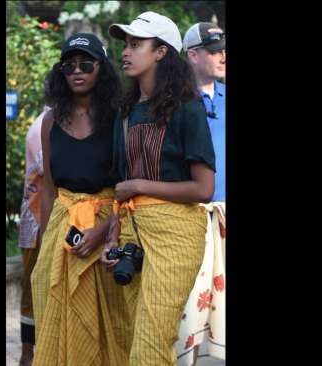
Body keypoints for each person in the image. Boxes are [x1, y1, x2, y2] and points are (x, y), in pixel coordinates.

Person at [102, 11, 216, 365]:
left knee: (151, 342)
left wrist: (138, 184)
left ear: (162, 52)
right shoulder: (126, 111)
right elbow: (121, 189)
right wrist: (111, 235)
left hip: (176, 232)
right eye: (125, 44)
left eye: (136, 44)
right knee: (132, 336)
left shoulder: (187, 107)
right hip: (131, 232)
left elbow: (204, 188)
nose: (126, 51)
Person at [30, 33, 129, 366]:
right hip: (63, 232)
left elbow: (130, 189)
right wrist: (47, 243)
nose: (77, 71)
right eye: (68, 65)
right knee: (56, 316)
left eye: (86, 63)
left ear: (101, 69)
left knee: (107, 326)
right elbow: (48, 188)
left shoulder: (120, 119)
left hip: (108, 230)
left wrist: (102, 234)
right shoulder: (49, 122)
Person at [174, 23, 227, 365]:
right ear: (192, 55)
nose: (223, 55)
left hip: (225, 220)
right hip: (188, 223)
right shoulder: (173, 102)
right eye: (214, 50)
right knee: (187, 319)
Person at [17, 104, 50, 366]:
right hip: (37, 223)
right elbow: (52, 171)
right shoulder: (43, 125)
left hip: (48, 219)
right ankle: (28, 355)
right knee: (32, 289)